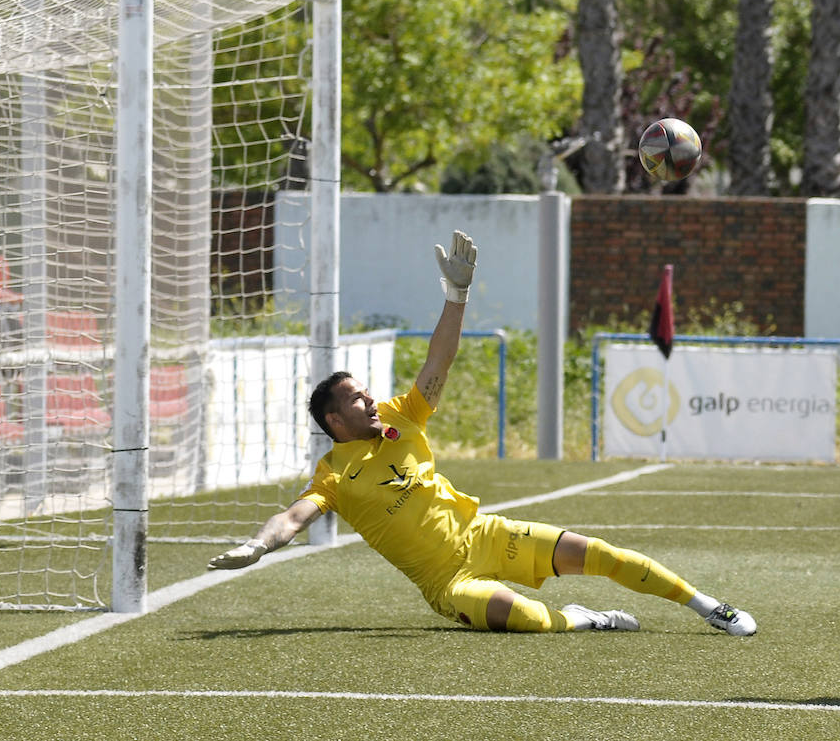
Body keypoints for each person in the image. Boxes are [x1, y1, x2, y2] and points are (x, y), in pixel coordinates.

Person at [208, 231, 756, 636]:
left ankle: (707, 605)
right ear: (334, 421)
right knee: (524, 619)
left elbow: (437, 361)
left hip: (486, 535)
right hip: (448, 584)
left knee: (599, 552)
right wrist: (259, 543)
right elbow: (293, 517)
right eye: (357, 398)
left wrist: (456, 296)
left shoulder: (402, 416)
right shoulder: (333, 475)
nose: (371, 399)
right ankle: (583, 620)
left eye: (367, 392)